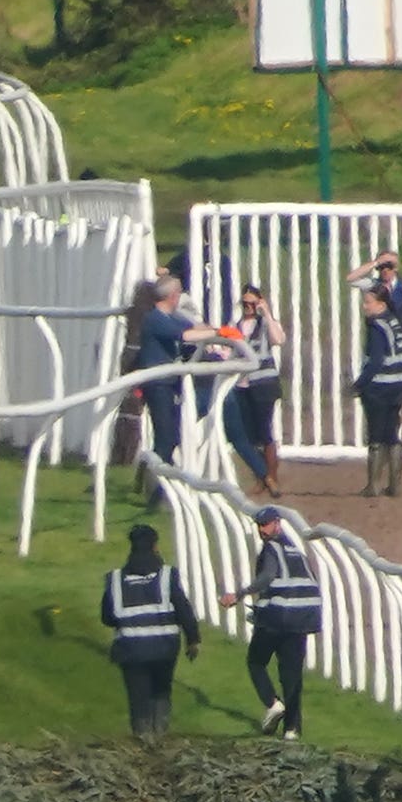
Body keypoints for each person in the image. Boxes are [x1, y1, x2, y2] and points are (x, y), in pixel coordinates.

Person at [99, 525, 197, 739]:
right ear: (155, 546)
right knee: (161, 689)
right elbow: (183, 608)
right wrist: (193, 639)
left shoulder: (115, 579)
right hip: (165, 647)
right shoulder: (167, 575)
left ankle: (142, 736)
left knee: (138, 695)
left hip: (130, 649)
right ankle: (160, 733)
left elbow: (107, 617)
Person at [240, 504, 321, 740]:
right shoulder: (298, 552)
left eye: (265, 525)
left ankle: (273, 703)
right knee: (292, 674)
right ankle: (292, 730)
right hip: (304, 617)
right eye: (259, 526)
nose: (262, 530)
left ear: (277, 523)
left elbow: (267, 578)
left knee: (255, 661)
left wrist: (241, 593)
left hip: (279, 617)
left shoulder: (270, 549)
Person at [353, 273, 402, 498]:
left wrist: (359, 384)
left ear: (380, 304)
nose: (364, 306)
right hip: (399, 383)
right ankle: (395, 485)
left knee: (376, 435)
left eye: (368, 302)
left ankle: (373, 485)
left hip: (380, 385)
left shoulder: (376, 326)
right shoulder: (394, 321)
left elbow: (376, 360)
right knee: (392, 432)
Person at [220, 282, 287, 490]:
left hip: (264, 383)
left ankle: (271, 476)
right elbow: (227, 351)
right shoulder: (236, 325)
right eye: (245, 304)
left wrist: (266, 313)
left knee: (264, 430)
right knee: (249, 434)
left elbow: (279, 339)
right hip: (242, 385)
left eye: (252, 303)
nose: (248, 307)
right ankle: (262, 475)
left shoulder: (265, 323)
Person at [125, 276, 194, 462]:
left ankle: (151, 480)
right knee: (166, 439)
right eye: (178, 294)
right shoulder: (155, 319)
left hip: (167, 382)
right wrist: (217, 333)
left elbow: (193, 327)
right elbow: (185, 335)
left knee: (170, 438)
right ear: (172, 296)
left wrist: (209, 329)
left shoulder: (169, 317)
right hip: (158, 385)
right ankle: (158, 485)